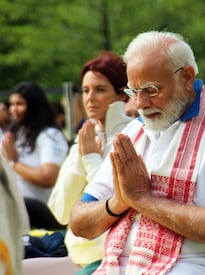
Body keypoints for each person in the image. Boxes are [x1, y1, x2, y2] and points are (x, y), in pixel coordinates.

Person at [70, 31, 205, 275]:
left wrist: (143, 200)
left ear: (187, 77)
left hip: (203, 265)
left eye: (150, 90)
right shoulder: (134, 132)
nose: (140, 104)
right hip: (125, 265)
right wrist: (119, 201)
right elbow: (79, 221)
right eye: (133, 91)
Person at [21, 52, 134, 275]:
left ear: (122, 94)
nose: (90, 98)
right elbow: (60, 211)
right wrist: (81, 156)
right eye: (85, 90)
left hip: (112, 256)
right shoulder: (86, 138)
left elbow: (117, 201)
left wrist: (91, 160)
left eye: (100, 89)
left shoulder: (132, 135)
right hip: (76, 253)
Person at [1, 82, 69, 230]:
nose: (14, 109)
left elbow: (48, 177)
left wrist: (14, 163)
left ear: (34, 106)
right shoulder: (17, 134)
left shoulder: (50, 136)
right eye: (12, 104)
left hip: (40, 209)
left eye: (20, 104)